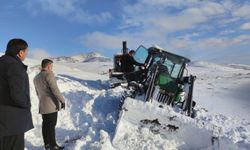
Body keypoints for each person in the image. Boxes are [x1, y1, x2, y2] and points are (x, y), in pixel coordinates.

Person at [0, 39, 34, 150]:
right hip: (13, 120)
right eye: (26, 51)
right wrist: (27, 106)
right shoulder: (15, 65)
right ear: (20, 52)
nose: (26, 54)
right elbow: (17, 94)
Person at [33, 59, 65, 150]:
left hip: (43, 105)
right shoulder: (49, 74)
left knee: (45, 125)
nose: (52, 68)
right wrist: (62, 101)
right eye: (51, 66)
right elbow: (55, 90)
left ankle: (47, 144)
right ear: (48, 66)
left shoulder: (36, 77)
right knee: (51, 125)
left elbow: (37, 93)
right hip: (51, 105)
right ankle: (53, 146)